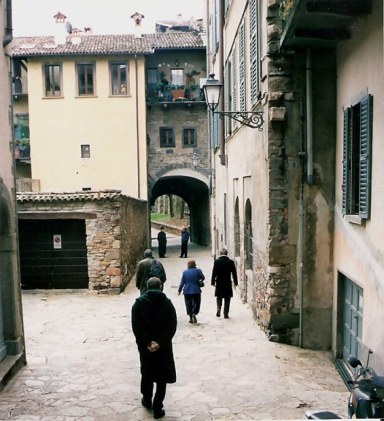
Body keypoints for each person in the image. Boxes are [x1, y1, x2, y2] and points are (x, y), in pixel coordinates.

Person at [131, 277, 177, 419]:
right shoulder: (167, 304)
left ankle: (146, 399)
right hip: (162, 348)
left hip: (146, 348)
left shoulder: (138, 305)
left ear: (146, 286)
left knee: (147, 373)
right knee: (162, 377)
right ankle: (158, 406)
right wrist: (159, 342)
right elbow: (172, 326)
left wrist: (147, 343)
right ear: (161, 286)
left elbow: (137, 327)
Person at [211, 248, 238, 319]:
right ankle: (226, 313)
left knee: (219, 297)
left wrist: (213, 282)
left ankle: (219, 308)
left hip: (219, 282)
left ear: (220, 254)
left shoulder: (216, 262)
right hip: (227, 282)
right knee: (227, 298)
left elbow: (214, 273)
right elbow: (234, 273)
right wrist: (236, 282)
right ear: (226, 254)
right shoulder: (230, 262)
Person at [178, 259, 205, 324]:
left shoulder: (185, 272)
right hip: (196, 290)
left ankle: (190, 317)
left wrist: (179, 290)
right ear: (195, 264)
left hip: (187, 291)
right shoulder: (198, 271)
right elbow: (203, 277)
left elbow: (182, 282)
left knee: (188, 304)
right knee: (197, 303)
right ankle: (194, 312)